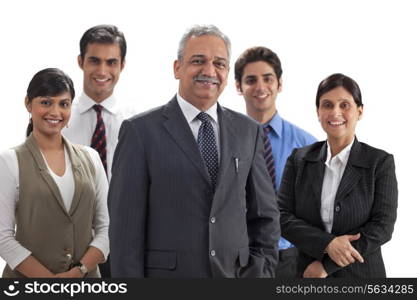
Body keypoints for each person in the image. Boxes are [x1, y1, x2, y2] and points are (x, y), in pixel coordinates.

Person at [108, 25, 280, 278]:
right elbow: (125, 232)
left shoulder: (249, 131)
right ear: (177, 68)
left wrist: (260, 273)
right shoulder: (139, 132)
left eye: (219, 64)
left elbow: (265, 216)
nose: (209, 71)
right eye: (198, 61)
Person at [277, 73, 398, 277]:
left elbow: (382, 226)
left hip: (361, 276)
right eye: (327, 105)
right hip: (305, 273)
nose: (335, 112)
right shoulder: (299, 159)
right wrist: (327, 244)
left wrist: (327, 265)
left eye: (344, 105)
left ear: (360, 111)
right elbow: (281, 216)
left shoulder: (379, 162)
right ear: (318, 111)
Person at [0, 68, 109, 278]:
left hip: (86, 282)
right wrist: (49, 282)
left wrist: (80, 271)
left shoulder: (92, 158)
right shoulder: (9, 161)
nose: (56, 112)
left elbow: (106, 228)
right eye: (46, 102)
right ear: (28, 104)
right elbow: (3, 237)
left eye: (64, 104)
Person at [234, 46, 316, 277]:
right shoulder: (224, 139)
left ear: (279, 84)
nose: (260, 87)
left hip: (289, 257)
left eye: (267, 79)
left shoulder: (306, 145)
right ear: (239, 87)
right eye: (251, 80)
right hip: (237, 256)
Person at [63, 24, 128, 277]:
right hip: (69, 245)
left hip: (122, 245)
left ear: (122, 65)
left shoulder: (137, 124)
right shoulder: (58, 120)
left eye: (111, 62)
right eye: (94, 61)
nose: (102, 71)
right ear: (81, 61)